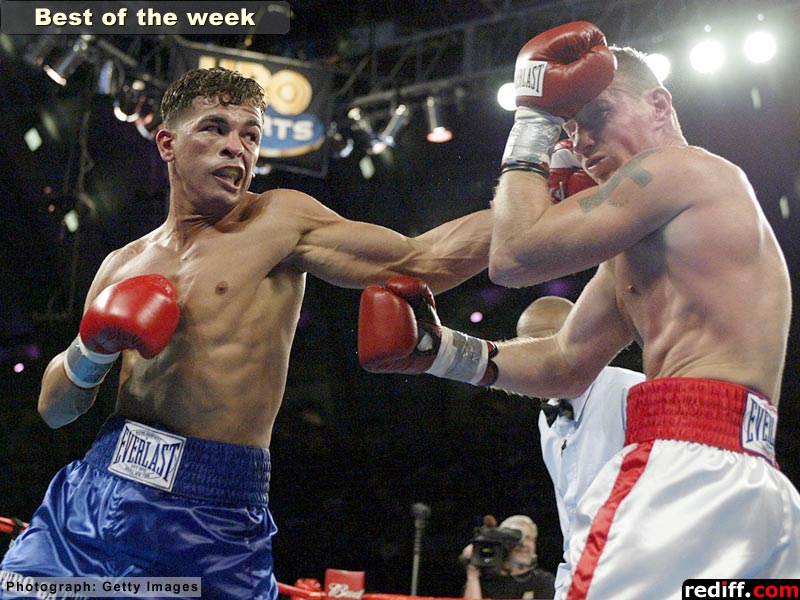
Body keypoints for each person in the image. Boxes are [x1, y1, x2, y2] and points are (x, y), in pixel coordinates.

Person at [0, 67, 492, 599]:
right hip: (98, 488)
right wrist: (91, 348)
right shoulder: (123, 264)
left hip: (209, 511)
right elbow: (55, 410)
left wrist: (532, 197)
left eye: (250, 135)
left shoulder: (278, 221)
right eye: (215, 128)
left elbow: (424, 260)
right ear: (167, 143)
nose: (237, 147)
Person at [357, 20, 800, 599]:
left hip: (686, 466)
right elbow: (566, 364)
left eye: (597, 116)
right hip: (757, 482)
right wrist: (439, 351)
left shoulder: (678, 170)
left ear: (659, 105)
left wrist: (533, 121)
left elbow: (513, 256)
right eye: (569, 128)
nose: (582, 140)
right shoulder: (642, 248)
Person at [517, 297, 644, 597]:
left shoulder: (633, 391)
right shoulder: (547, 417)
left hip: (639, 572)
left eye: (546, 345)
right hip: (582, 573)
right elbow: (570, 512)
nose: (535, 360)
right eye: (526, 349)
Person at [461, 515, 555, 600]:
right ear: (501, 543)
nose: (523, 544)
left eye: (528, 538)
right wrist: (472, 573)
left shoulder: (544, 582)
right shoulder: (484, 581)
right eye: (517, 538)